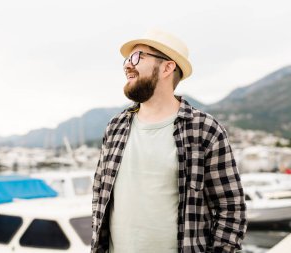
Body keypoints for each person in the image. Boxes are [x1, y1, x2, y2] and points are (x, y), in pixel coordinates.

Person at [91, 29, 247, 253]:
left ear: (167, 67)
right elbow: (99, 198)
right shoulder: (115, 127)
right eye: (126, 59)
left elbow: (231, 208)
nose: (127, 65)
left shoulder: (204, 129)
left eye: (138, 57)